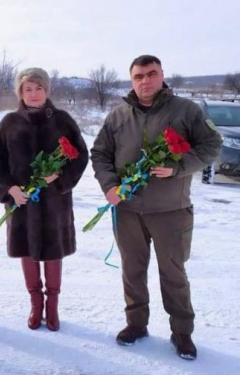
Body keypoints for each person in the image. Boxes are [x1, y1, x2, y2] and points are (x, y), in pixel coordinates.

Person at [91, 55, 222, 360]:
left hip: (171, 210)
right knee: (132, 270)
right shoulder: (118, 115)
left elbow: (211, 145)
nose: (145, 81)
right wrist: (109, 186)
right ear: (131, 80)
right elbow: (99, 153)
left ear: (163, 75)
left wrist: (178, 168)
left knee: (173, 273)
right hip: (127, 210)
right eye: (138, 76)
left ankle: (182, 333)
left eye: (151, 74)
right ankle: (136, 324)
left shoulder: (186, 111)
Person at [0, 68, 89, 331]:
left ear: (46, 90)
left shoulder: (62, 120)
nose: (33, 94)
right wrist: (9, 188)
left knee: (54, 251)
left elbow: (80, 155)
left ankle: (53, 305)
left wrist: (60, 177)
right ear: (20, 93)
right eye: (28, 89)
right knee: (27, 251)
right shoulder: (9, 122)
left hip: (55, 203)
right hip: (21, 202)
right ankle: (36, 303)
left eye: (38, 88)